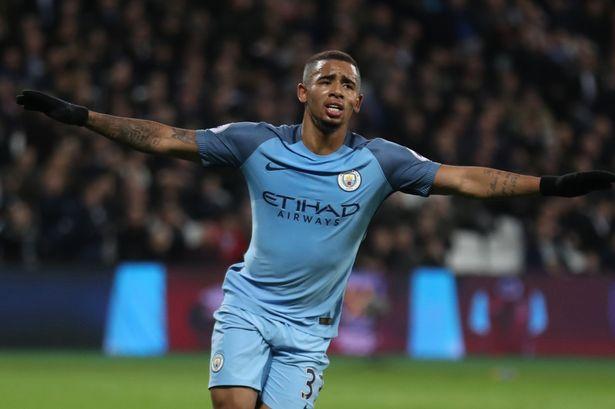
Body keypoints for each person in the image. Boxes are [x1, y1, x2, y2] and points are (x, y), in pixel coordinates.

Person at [16, 50, 615, 409]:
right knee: (231, 403)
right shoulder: (254, 143)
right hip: (249, 305)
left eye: (349, 85)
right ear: (304, 92)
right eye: (328, 80)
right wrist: (83, 117)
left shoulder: (381, 161)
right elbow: (166, 138)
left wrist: (550, 185)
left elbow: (468, 180)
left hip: (310, 329)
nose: (338, 90)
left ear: (357, 105)